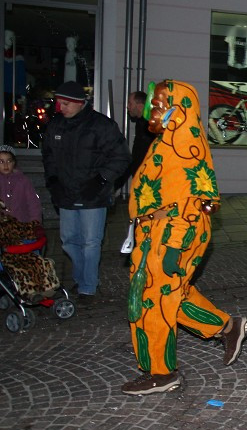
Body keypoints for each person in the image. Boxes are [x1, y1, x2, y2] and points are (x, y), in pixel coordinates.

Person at [122, 80, 247, 395]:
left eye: (158, 102)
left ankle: (162, 373)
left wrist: (175, 245)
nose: (153, 108)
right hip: (153, 231)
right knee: (161, 295)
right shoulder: (166, 139)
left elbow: (198, 199)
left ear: (177, 106)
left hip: (171, 232)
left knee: (158, 299)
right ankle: (227, 327)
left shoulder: (184, 141)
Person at [42, 81, 130, 301]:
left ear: (81, 103)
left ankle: (87, 287)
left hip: (94, 196)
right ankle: (82, 279)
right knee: (69, 241)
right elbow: (49, 157)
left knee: (91, 242)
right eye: (59, 103)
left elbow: (121, 157)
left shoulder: (102, 125)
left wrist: (101, 180)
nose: (61, 108)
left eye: (66, 103)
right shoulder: (56, 126)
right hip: (66, 194)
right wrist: (53, 182)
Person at [116, 90, 156, 190]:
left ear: (140, 106)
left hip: (148, 177)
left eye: (130, 103)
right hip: (140, 174)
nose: (128, 106)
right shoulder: (141, 124)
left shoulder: (150, 126)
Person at [0, 145, 42, 224]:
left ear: (14, 163)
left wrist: (35, 223)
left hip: (21, 225)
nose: (5, 165)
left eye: (9, 161)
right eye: (1, 162)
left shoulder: (23, 181)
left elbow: (33, 203)